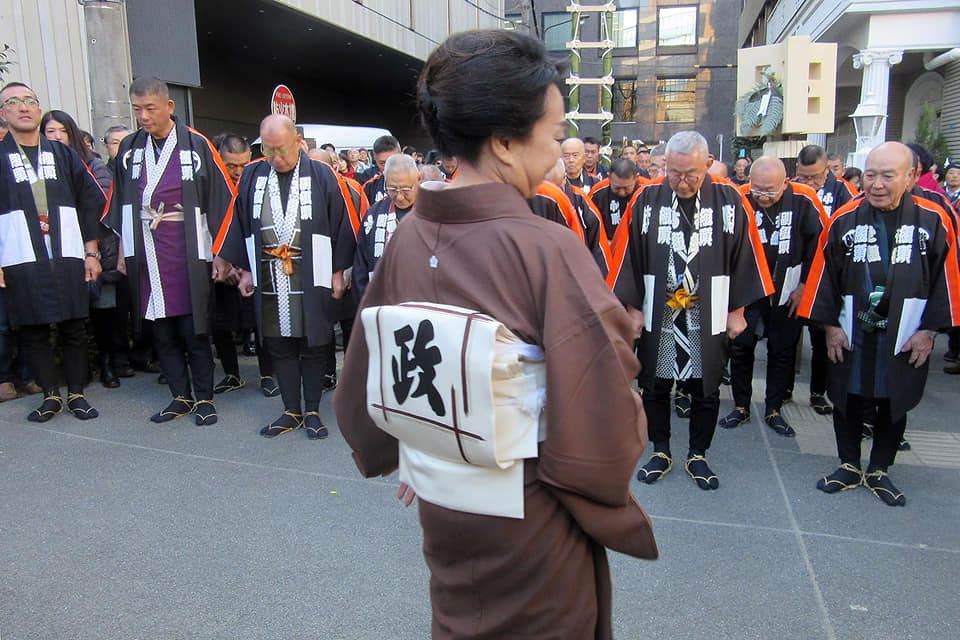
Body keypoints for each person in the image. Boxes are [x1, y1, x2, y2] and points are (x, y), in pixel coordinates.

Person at [334, 30, 656, 638]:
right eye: (555, 135)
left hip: (445, 505)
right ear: (505, 142)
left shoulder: (409, 234)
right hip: (529, 513)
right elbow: (604, 398)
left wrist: (415, 444)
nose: (560, 153)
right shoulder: (543, 247)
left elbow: (368, 380)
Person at [608, 130, 774, 490]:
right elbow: (627, 254)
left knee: (706, 386)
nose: (682, 182)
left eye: (691, 175)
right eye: (674, 173)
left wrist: (738, 310)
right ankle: (661, 449)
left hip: (708, 307)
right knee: (654, 382)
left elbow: (747, 256)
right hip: (660, 306)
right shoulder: (647, 198)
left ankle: (698, 453)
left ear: (709, 165)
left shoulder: (730, 199)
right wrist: (633, 308)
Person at [800, 142, 960, 506]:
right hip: (852, 326)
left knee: (894, 399)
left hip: (905, 331)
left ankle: (880, 469)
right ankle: (849, 464)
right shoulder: (844, 217)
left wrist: (929, 332)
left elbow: (948, 277)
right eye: (870, 174)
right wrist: (829, 327)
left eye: (888, 176)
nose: (876, 184)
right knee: (846, 397)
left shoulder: (935, 217)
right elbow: (824, 274)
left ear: (911, 176)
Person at [102, 77, 235, 426]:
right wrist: (121, 249)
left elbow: (220, 199)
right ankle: (179, 395)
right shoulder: (130, 148)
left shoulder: (196, 144)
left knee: (195, 328)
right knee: (161, 329)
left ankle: (204, 398)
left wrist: (220, 252)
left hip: (188, 247)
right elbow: (119, 200)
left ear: (169, 107)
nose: (143, 116)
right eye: (137, 110)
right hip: (146, 248)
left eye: (150, 108)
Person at [218, 114, 354, 439]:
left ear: (299, 144)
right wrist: (244, 267)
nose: (276, 158)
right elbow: (239, 221)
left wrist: (340, 272)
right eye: (268, 151)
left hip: (311, 271)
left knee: (313, 343)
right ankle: (290, 410)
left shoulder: (322, 174)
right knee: (279, 344)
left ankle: (312, 411)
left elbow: (343, 223)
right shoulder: (252, 174)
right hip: (268, 271)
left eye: (282, 150)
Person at [0, 81, 106, 421]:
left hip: (68, 251)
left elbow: (91, 199)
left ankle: (76, 394)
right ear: (3, 113)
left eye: (30, 100)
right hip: (19, 253)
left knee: (74, 325)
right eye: (13, 102)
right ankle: (50, 396)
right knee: (32, 329)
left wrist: (92, 252)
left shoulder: (63, 154)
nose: (23, 107)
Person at [720, 157, 827, 436]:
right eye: (758, 189)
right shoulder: (737, 197)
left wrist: (805, 285)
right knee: (741, 348)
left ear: (786, 182)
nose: (762, 197)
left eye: (770, 191)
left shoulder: (806, 199)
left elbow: (821, 245)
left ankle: (774, 408)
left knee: (782, 350)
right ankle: (741, 406)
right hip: (748, 289)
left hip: (788, 290)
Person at [209, 133, 278, 397]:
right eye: (231, 166)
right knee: (221, 322)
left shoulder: (255, 179)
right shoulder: (212, 183)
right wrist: (224, 258)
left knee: (261, 320)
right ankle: (231, 374)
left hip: (251, 262)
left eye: (242, 164)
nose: (238, 171)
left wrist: (241, 263)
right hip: (218, 261)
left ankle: (267, 375)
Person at [793, 144, 858, 414]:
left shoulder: (844, 192)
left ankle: (819, 391)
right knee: (789, 335)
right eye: (803, 176)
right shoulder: (793, 189)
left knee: (822, 336)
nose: (808, 182)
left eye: (814, 177)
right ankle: (784, 388)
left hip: (830, 274)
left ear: (827, 169)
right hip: (800, 269)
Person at [353, 153, 420, 299]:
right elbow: (361, 264)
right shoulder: (375, 214)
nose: (400, 196)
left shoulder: (433, 212)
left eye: (405, 189)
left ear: (418, 180)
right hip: (382, 299)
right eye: (392, 189)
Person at [41, 110, 111, 191]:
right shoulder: (39, 164)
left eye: (64, 131)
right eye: (51, 131)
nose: (58, 136)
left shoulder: (93, 164)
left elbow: (102, 197)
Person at [589, 158, 643, 242]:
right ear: (609, 177)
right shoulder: (598, 193)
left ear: (636, 178)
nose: (621, 192)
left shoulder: (644, 194)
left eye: (626, 188)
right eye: (617, 188)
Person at [359, 135, 401, 203]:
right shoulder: (369, 187)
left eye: (392, 161)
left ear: (401, 156)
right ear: (375, 158)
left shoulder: (416, 184)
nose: (388, 167)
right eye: (382, 163)